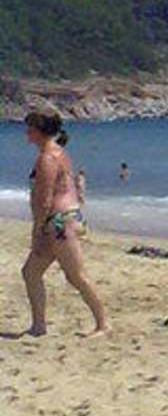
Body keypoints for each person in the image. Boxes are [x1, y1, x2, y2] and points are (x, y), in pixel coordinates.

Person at [20, 110, 109, 337]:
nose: (27, 133)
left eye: (30, 129)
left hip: (60, 223)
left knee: (76, 275)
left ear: (40, 132)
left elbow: (45, 200)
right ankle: (38, 326)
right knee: (31, 272)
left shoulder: (47, 158)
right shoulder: (58, 152)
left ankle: (103, 324)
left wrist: (37, 231)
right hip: (64, 220)